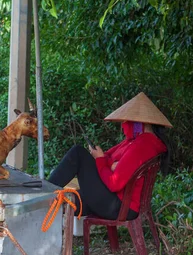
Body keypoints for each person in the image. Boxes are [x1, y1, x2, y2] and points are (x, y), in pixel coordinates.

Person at [47, 92, 173, 220]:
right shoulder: (135, 141)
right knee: (67, 200)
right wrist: (110, 164)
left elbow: (114, 183)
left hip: (120, 206)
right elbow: (107, 155)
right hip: (116, 201)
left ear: (139, 122)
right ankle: (43, 202)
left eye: (127, 121)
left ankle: (43, 193)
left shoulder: (143, 145)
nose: (124, 124)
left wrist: (102, 160)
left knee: (78, 153)